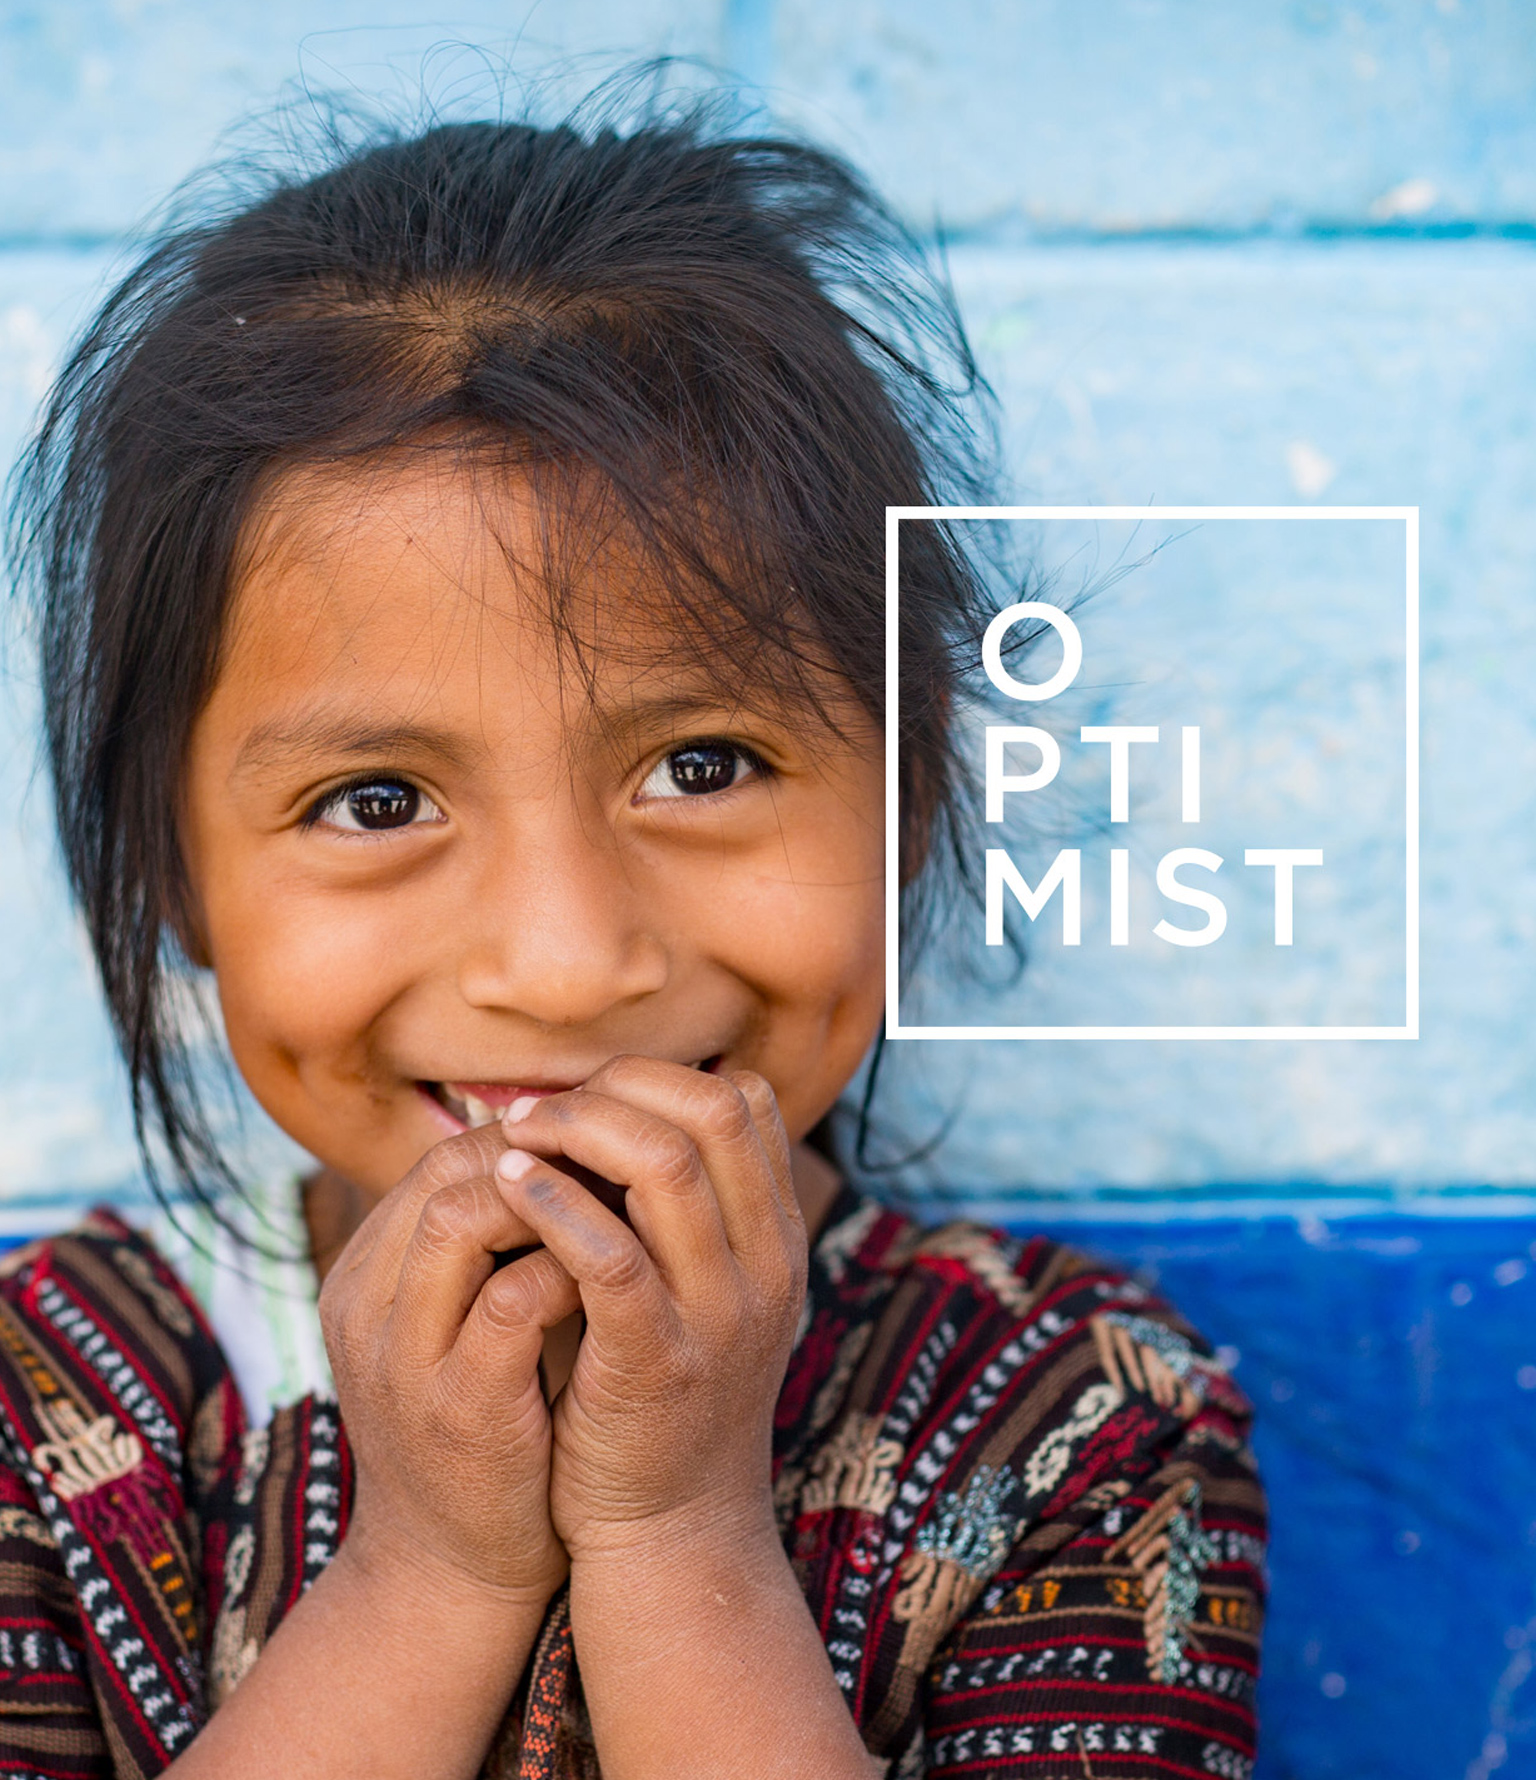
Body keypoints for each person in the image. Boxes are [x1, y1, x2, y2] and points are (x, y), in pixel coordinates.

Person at [0, 84, 1265, 1780]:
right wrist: (429, 1577)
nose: (566, 961)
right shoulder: (43, 1412)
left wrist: (679, 1541)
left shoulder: (1084, 1425)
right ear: (170, 873)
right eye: (378, 801)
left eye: (704, 764)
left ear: (909, 805)